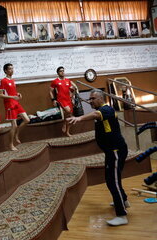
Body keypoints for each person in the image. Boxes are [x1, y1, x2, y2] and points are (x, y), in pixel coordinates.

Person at [67, 89, 129, 226]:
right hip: (111, 151)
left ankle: (122, 215)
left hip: (116, 151)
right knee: (111, 179)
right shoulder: (101, 111)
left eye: (93, 98)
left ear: (101, 99)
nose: (90, 101)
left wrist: (79, 118)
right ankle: (123, 200)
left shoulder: (107, 110)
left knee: (113, 181)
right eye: (89, 99)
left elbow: (96, 114)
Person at [0, 64, 30, 151]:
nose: (12, 70)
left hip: (16, 103)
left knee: (27, 120)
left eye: (12, 68)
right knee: (14, 125)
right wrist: (12, 97)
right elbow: (0, 95)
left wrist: (17, 94)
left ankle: (16, 134)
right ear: (5, 71)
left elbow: (12, 92)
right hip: (9, 104)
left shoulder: (12, 80)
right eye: (10, 69)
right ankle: (10, 145)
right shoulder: (3, 81)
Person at [50, 66, 74, 136]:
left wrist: (72, 93)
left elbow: (71, 91)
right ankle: (64, 123)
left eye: (63, 71)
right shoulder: (55, 81)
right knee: (68, 111)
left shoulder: (68, 80)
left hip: (68, 99)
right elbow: (50, 91)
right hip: (61, 100)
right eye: (60, 71)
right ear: (58, 73)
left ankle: (67, 132)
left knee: (70, 116)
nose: (62, 72)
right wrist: (53, 100)